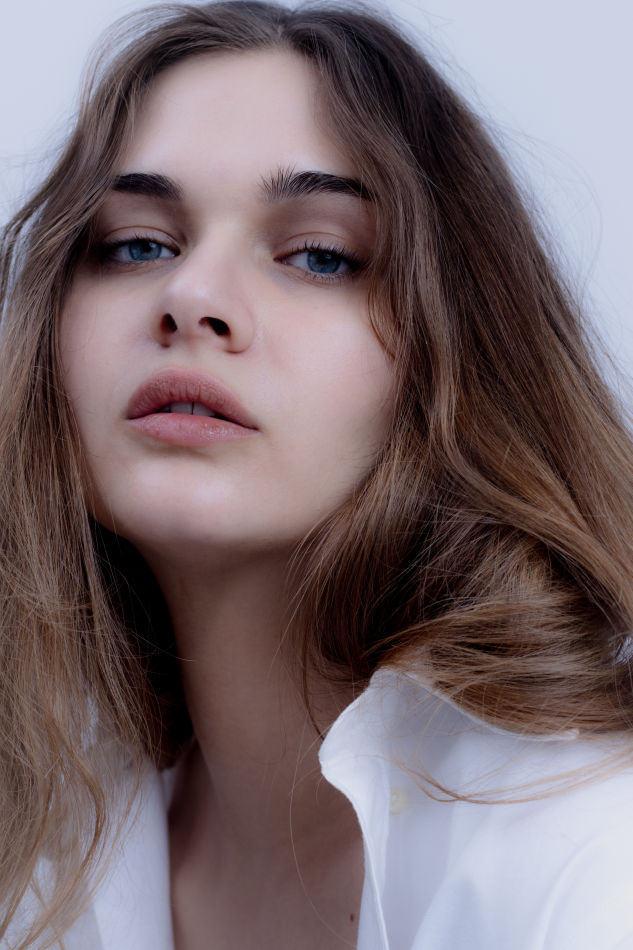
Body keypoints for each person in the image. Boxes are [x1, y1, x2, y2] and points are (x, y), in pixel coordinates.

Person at [2, 2, 633, 948]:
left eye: (320, 256)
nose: (191, 296)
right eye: (138, 244)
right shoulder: (39, 831)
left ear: (458, 361)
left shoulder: (590, 863)